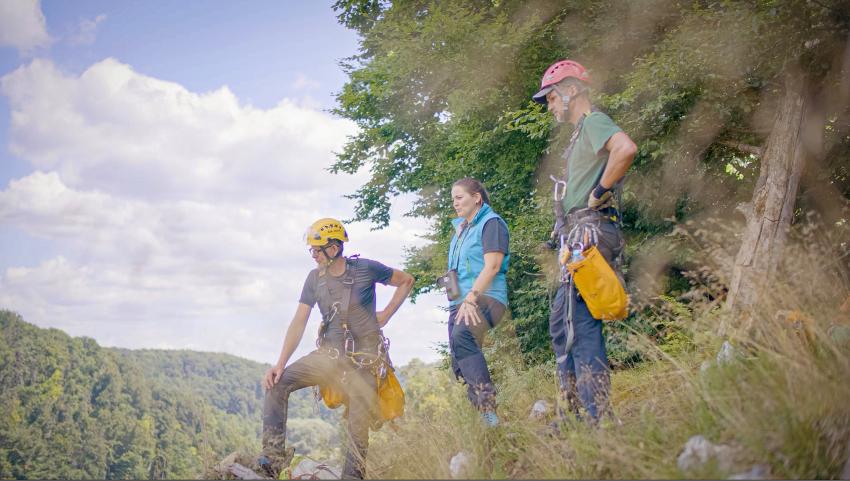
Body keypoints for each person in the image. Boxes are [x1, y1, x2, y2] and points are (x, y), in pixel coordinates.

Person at [258, 218, 414, 479]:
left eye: (318, 250)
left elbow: (406, 280)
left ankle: (352, 477)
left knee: (357, 427)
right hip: (328, 358)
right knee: (278, 384)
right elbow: (299, 321)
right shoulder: (314, 279)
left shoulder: (366, 268)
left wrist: (386, 313)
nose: (314, 255)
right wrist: (280, 364)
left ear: (334, 247)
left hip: (364, 362)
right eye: (312, 250)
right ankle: (272, 459)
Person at [532, 60, 637, 423]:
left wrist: (599, 192)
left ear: (571, 90)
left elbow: (625, 149)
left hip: (590, 231)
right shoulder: (579, 133)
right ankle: (571, 413)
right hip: (575, 236)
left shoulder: (593, 122)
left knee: (579, 323)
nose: (550, 106)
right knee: (563, 323)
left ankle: (598, 419)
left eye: (550, 98)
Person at [445, 178, 510, 427]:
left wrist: (471, 298)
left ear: (477, 198)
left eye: (459, 197)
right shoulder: (460, 231)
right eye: (453, 199)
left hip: (487, 297)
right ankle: (483, 420)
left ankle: (488, 413)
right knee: (459, 363)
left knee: (463, 337)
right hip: (460, 303)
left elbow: (492, 266)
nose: (455, 203)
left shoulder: (491, 223)